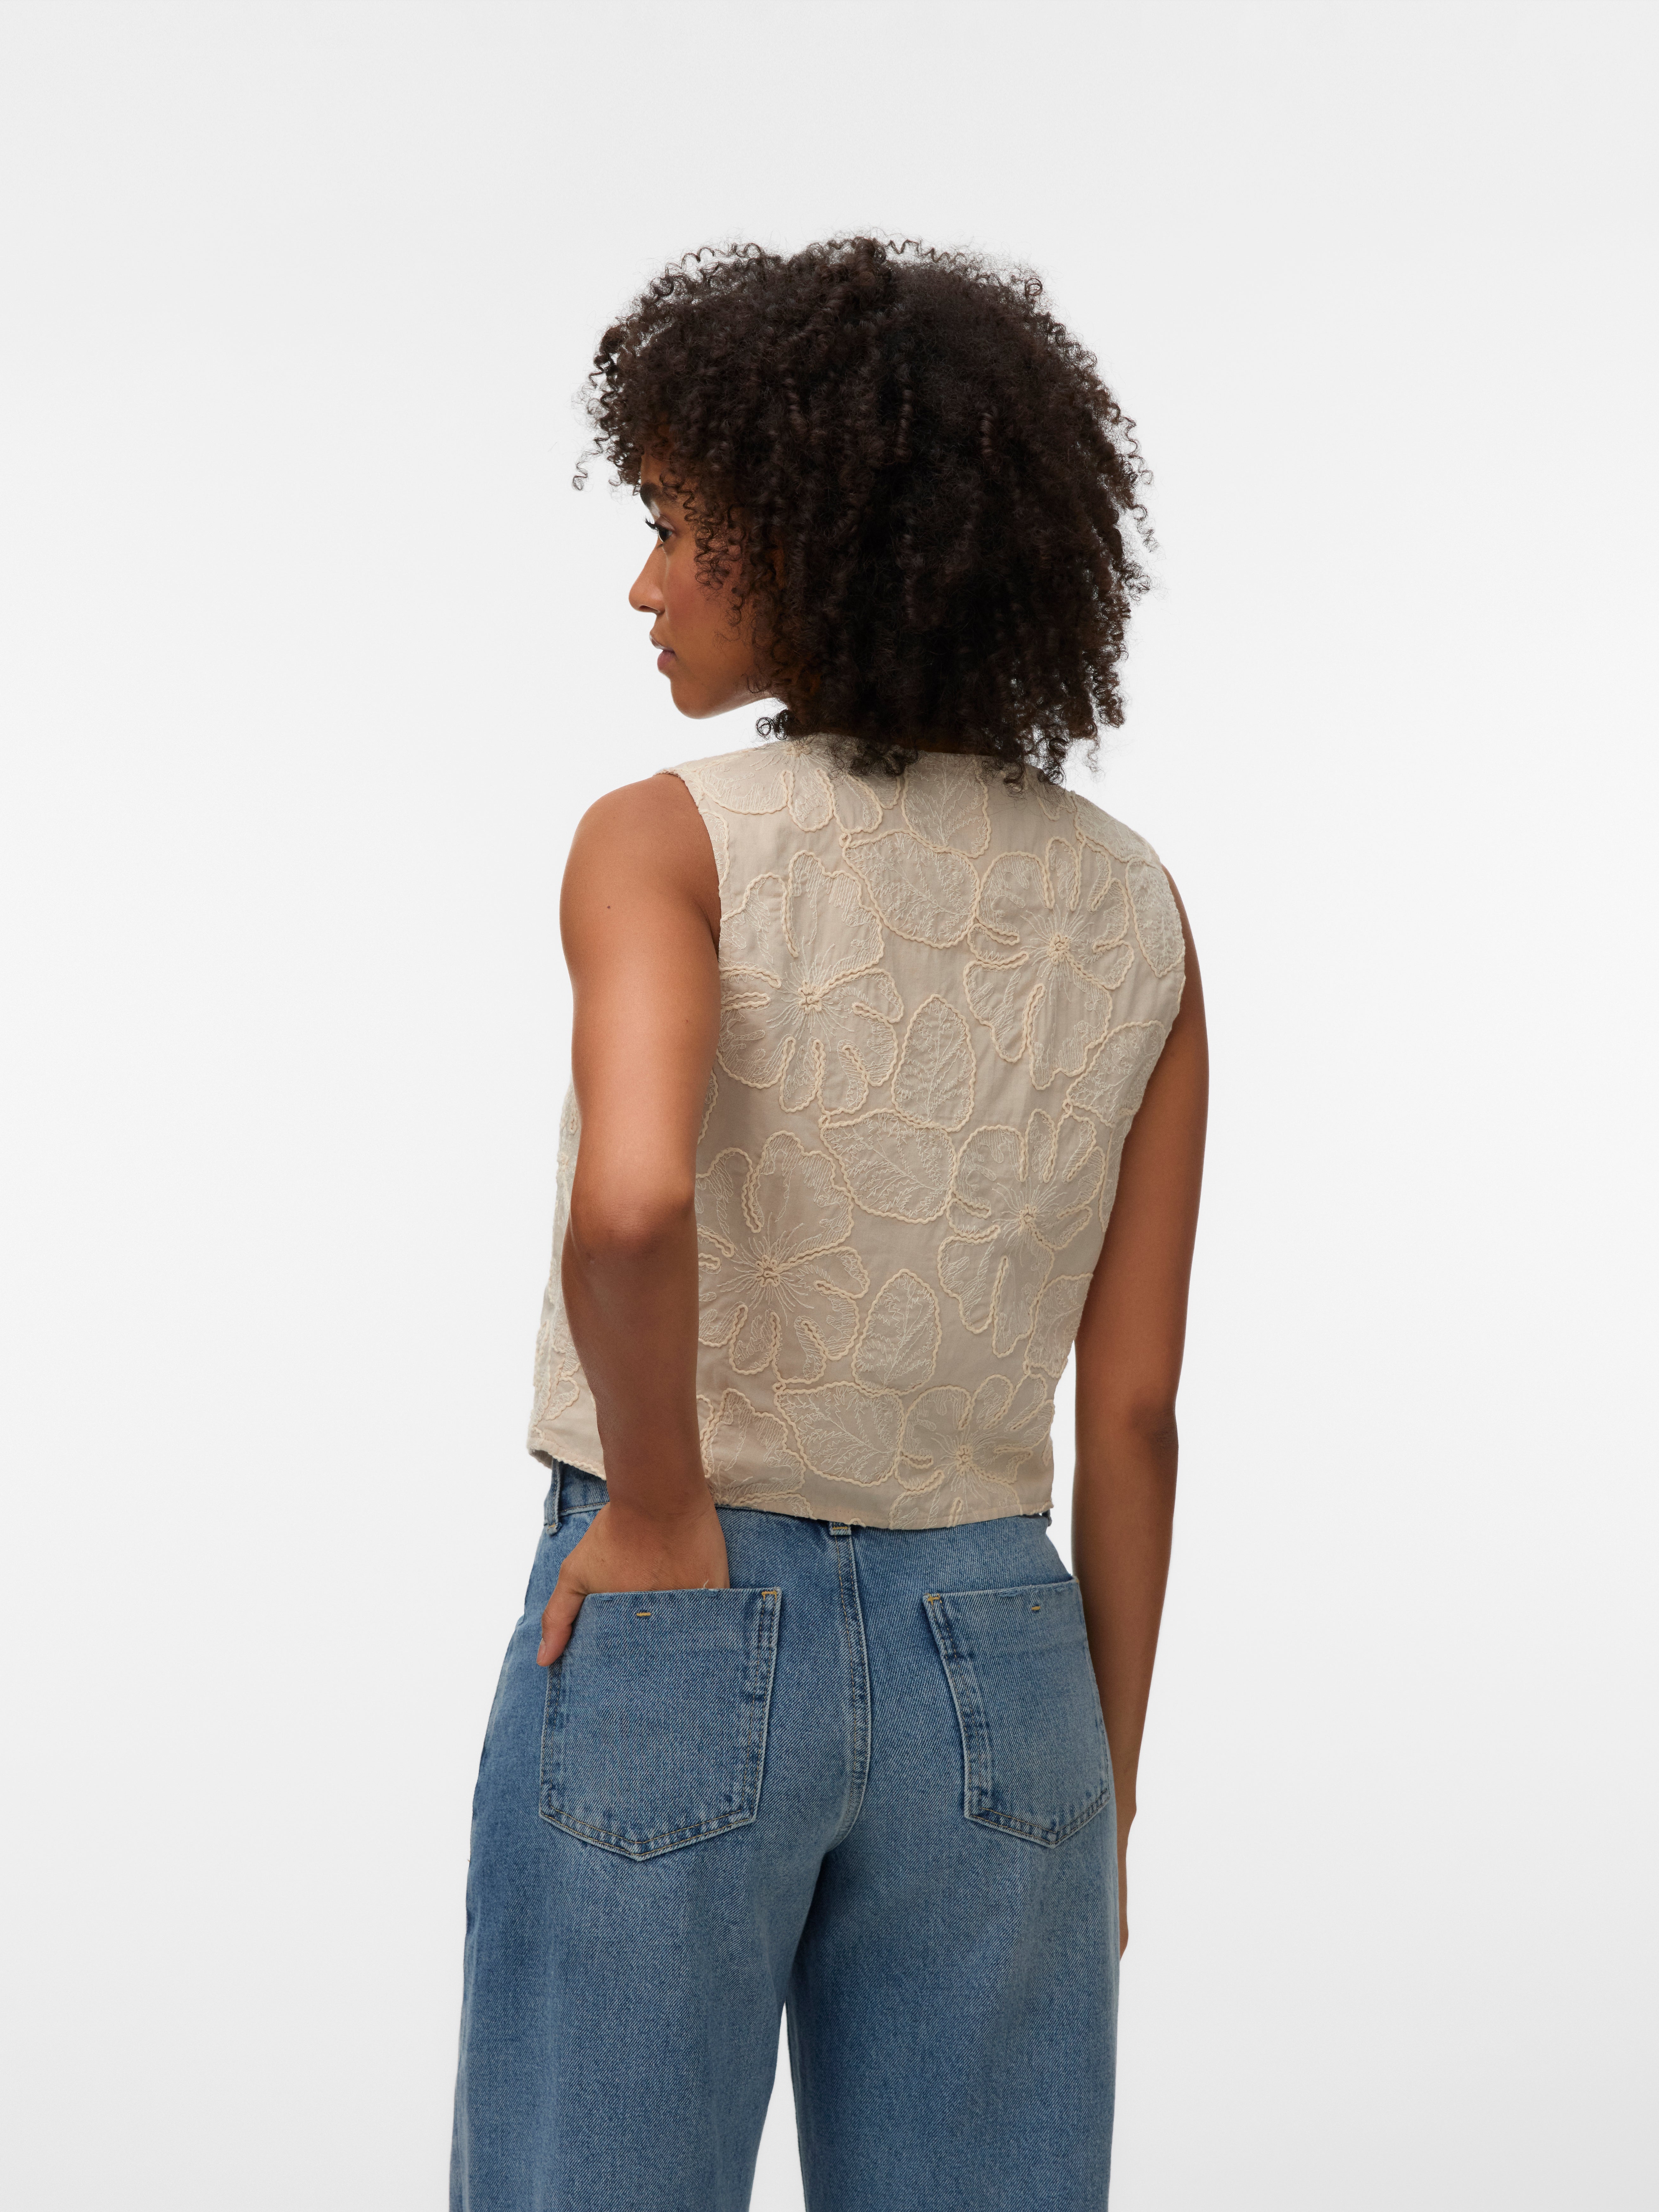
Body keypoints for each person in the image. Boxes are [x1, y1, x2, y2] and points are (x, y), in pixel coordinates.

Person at [451, 237, 1207, 2212]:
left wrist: (652, 1510)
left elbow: (633, 1207)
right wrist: (1105, 1790)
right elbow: (1132, 1414)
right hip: (1007, 1655)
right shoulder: (1134, 906)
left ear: (801, 539)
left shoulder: (666, 841)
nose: (643, 585)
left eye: (671, 525)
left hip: (682, 1591)